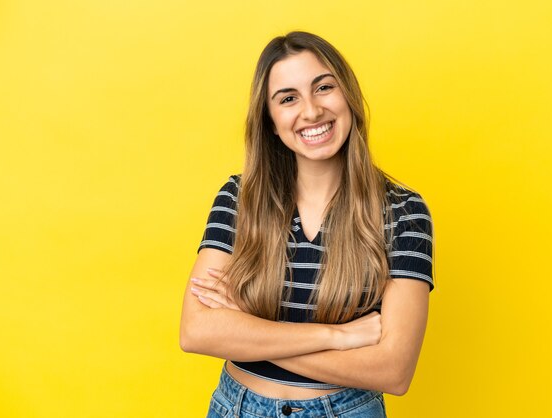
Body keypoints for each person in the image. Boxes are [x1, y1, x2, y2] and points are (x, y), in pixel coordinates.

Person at [180, 31, 434, 418]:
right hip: (237, 408)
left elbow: (393, 370)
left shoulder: (403, 211)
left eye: (324, 87)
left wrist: (247, 331)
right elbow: (197, 331)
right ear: (270, 121)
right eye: (288, 98)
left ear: (347, 95)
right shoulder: (239, 198)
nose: (312, 110)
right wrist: (339, 336)